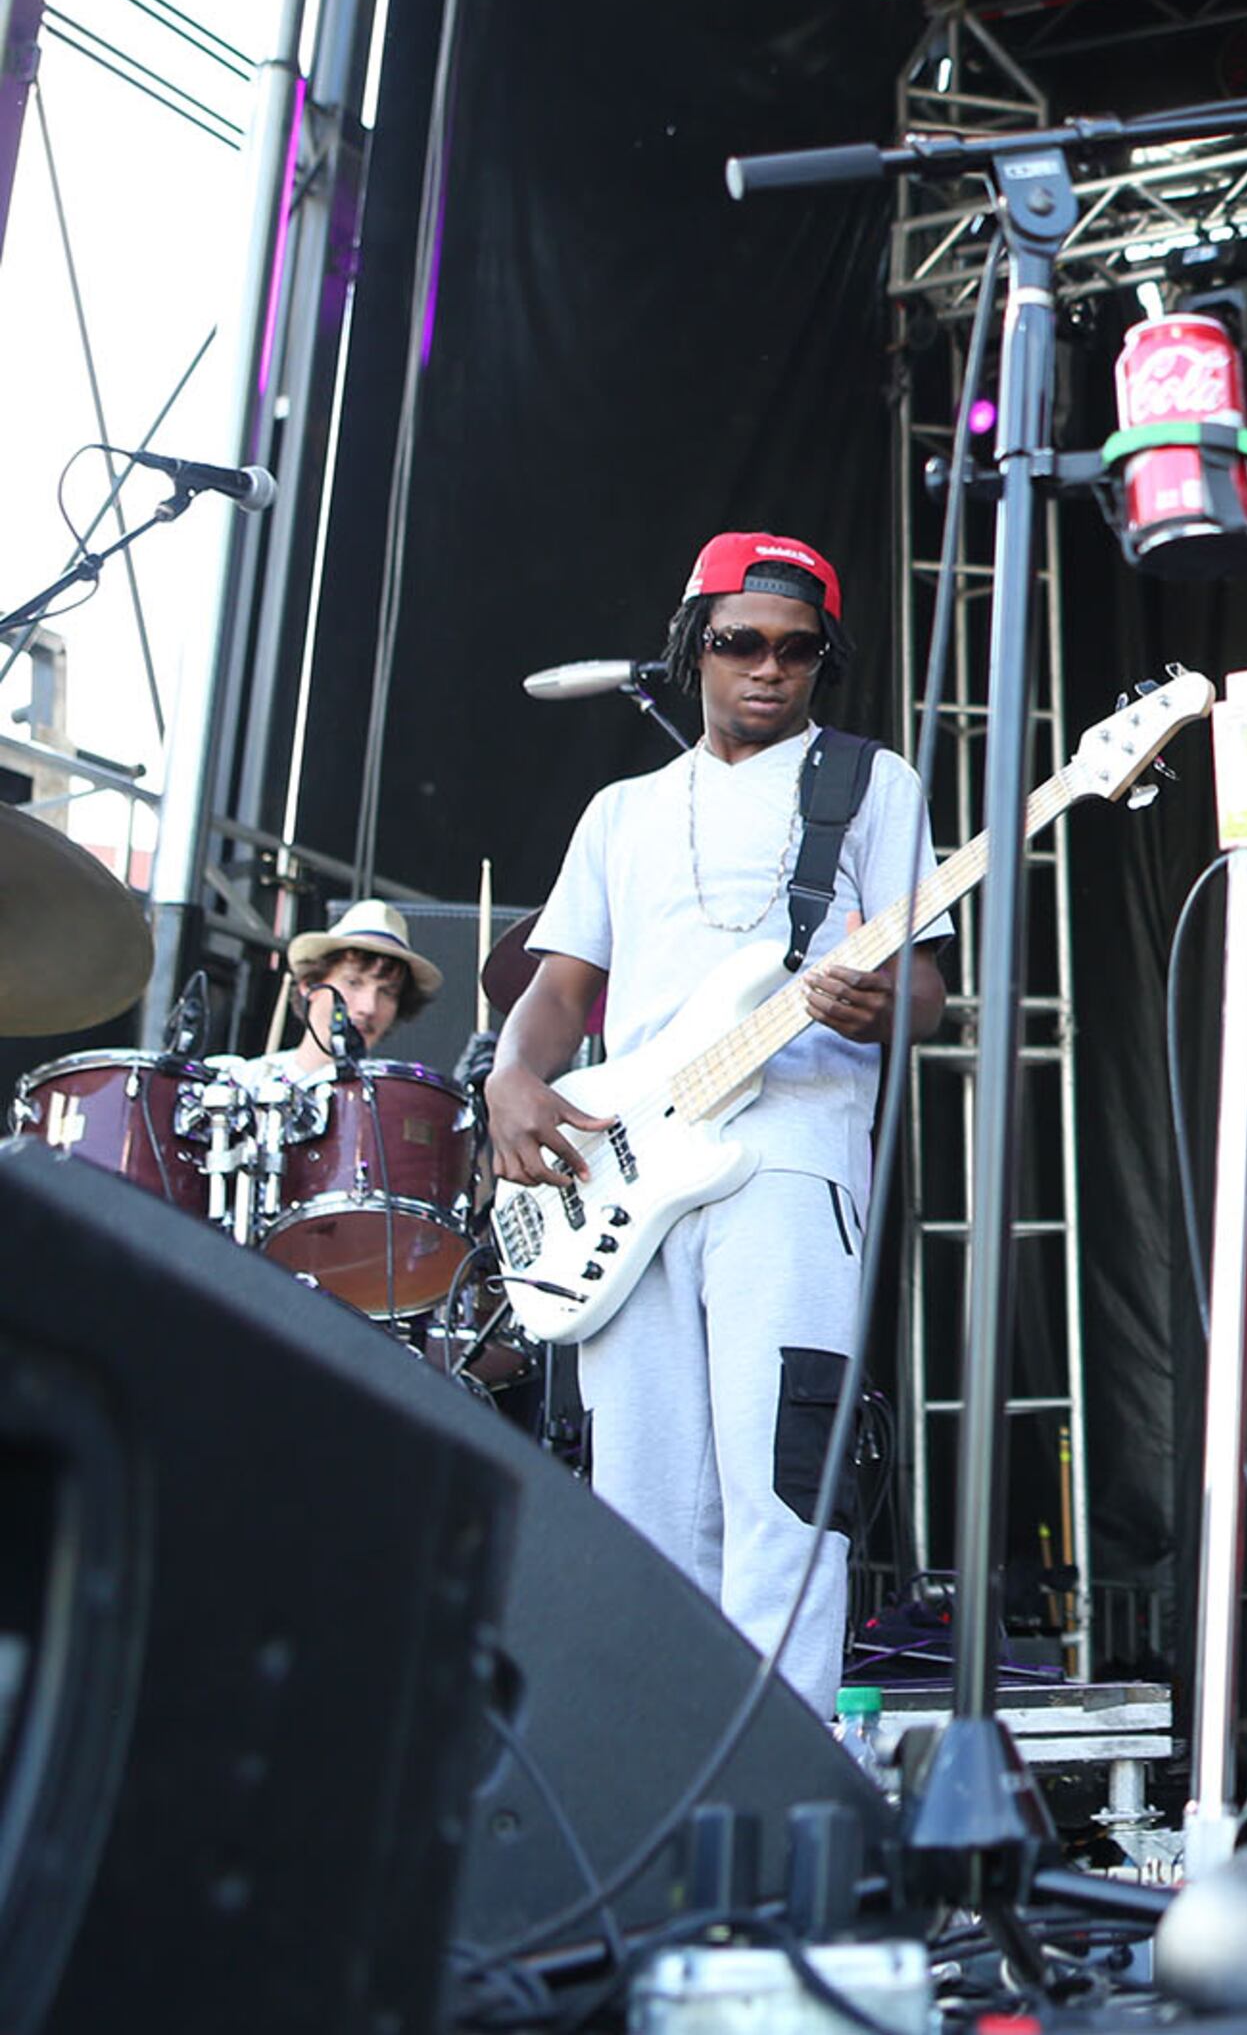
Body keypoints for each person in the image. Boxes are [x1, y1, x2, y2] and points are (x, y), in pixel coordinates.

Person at [485, 532, 946, 1704]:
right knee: (641, 1500)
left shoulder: (870, 783)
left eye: (797, 651)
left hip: (792, 1162)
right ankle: (650, 1766)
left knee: (781, 1486)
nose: (767, 670)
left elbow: (932, 989)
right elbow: (558, 987)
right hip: (622, 1169)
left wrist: (882, 994)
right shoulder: (622, 811)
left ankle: (781, 1772)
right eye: (739, 642)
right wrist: (510, 1079)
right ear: (694, 649)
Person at [272, 899, 440, 1071]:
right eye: (353, 983)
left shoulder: (397, 1094)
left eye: (387, 992)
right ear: (310, 985)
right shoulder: (251, 1082)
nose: (369, 1007)